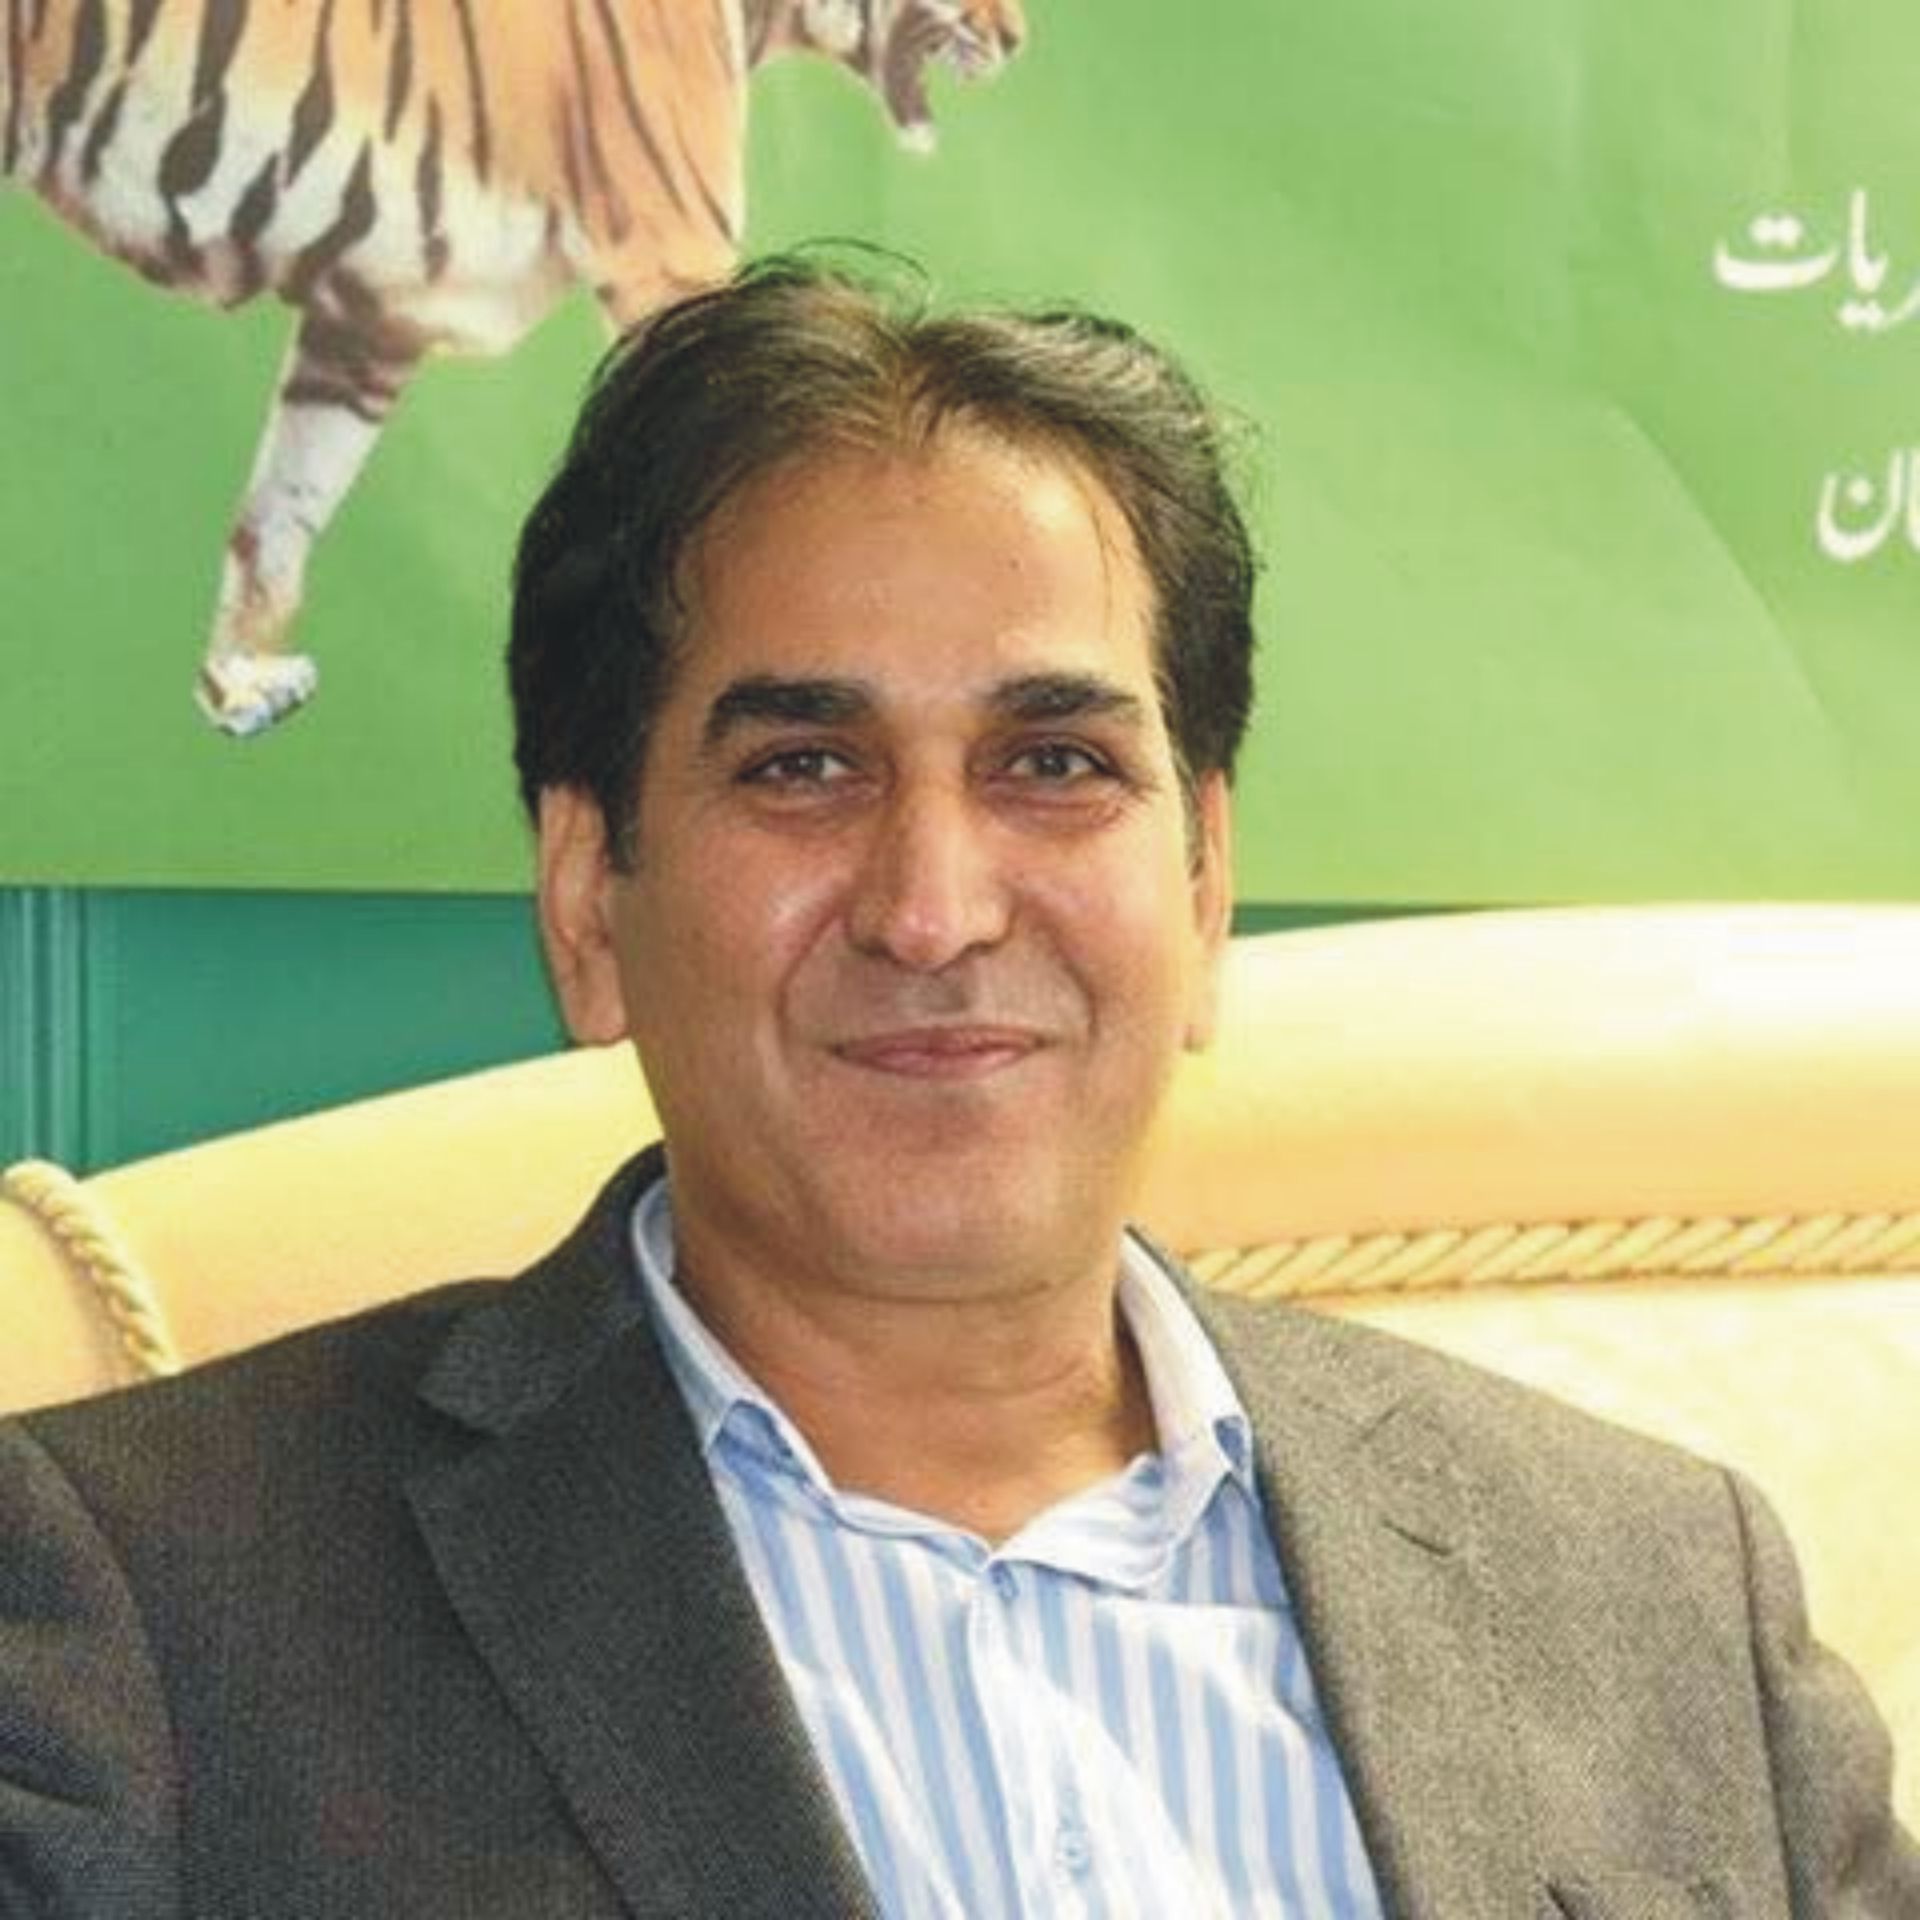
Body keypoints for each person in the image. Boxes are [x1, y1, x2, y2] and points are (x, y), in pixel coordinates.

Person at [1, 256, 1913, 1919]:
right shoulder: (158, 1617)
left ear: (1205, 884)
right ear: (590, 900)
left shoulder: (1656, 1600)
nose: (932, 908)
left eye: (1055, 765)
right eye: (804, 768)